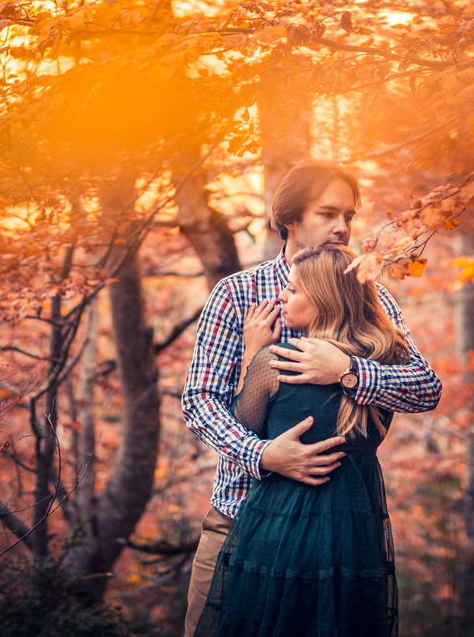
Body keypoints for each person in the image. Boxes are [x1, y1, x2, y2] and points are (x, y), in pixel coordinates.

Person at [181, 160, 441, 636]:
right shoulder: (238, 293)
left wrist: (349, 371)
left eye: (349, 215)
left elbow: (425, 388)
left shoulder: (369, 295)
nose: (342, 228)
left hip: (337, 537)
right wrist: (264, 455)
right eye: (327, 213)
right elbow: (199, 402)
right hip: (240, 517)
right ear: (291, 220)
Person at [195, 242, 405, 636]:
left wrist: (254, 354)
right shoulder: (383, 361)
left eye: (292, 290)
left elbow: (244, 427)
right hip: (354, 532)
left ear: (324, 299)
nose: (281, 295)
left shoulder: (276, 361)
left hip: (280, 524)